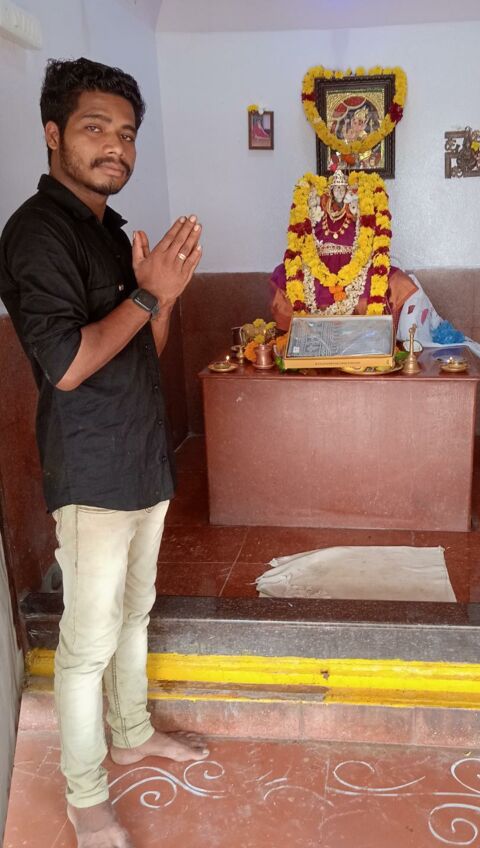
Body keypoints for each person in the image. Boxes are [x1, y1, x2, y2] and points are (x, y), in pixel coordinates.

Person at [0, 57, 206, 848]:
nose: (116, 146)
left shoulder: (112, 234)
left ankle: (131, 733)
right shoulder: (37, 233)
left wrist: (163, 298)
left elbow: (144, 349)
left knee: (134, 612)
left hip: (142, 457)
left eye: (126, 133)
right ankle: (86, 796)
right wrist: (149, 293)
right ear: (53, 134)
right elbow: (67, 364)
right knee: (86, 644)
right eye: (96, 128)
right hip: (90, 470)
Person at [270, 169, 416, 329]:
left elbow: (370, 240)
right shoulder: (318, 209)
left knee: (396, 281)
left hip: (357, 264)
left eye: (342, 188)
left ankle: (389, 338)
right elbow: (303, 241)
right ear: (331, 191)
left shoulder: (358, 207)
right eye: (336, 188)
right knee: (288, 277)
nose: (339, 191)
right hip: (318, 266)